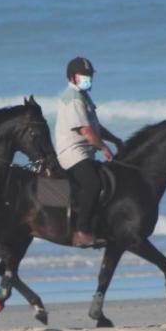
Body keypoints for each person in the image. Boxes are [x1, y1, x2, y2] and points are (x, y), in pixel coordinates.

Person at [55, 56, 124, 247]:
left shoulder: (83, 96)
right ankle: (82, 231)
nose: (88, 78)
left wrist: (116, 140)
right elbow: (86, 131)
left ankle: (99, 225)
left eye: (89, 75)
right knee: (93, 184)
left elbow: (96, 127)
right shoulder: (73, 98)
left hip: (85, 152)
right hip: (73, 152)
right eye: (84, 75)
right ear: (72, 77)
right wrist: (104, 148)